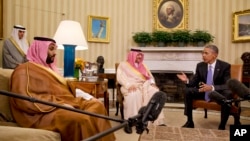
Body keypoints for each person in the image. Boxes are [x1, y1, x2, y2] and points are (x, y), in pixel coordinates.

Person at [9, 37, 115, 141]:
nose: (55, 53)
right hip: (43, 113)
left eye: (55, 49)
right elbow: (23, 100)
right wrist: (59, 104)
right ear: (39, 50)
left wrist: (86, 97)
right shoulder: (23, 70)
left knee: (98, 106)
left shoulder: (51, 69)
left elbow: (63, 89)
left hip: (66, 102)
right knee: (81, 119)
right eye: (51, 49)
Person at [177, 44, 238, 130]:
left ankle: (222, 125)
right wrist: (186, 80)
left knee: (227, 94)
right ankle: (189, 121)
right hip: (204, 92)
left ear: (214, 55)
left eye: (206, 53)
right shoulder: (200, 66)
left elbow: (227, 85)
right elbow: (194, 82)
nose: (203, 55)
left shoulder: (224, 66)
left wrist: (212, 87)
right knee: (188, 90)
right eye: (203, 53)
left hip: (218, 93)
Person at [116, 49, 165, 134]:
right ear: (132, 55)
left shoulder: (143, 65)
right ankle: (129, 122)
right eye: (138, 55)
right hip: (129, 86)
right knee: (133, 95)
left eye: (141, 55)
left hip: (144, 85)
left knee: (155, 92)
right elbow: (120, 77)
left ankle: (153, 119)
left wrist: (152, 83)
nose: (140, 57)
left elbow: (150, 77)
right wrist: (128, 85)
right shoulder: (123, 65)